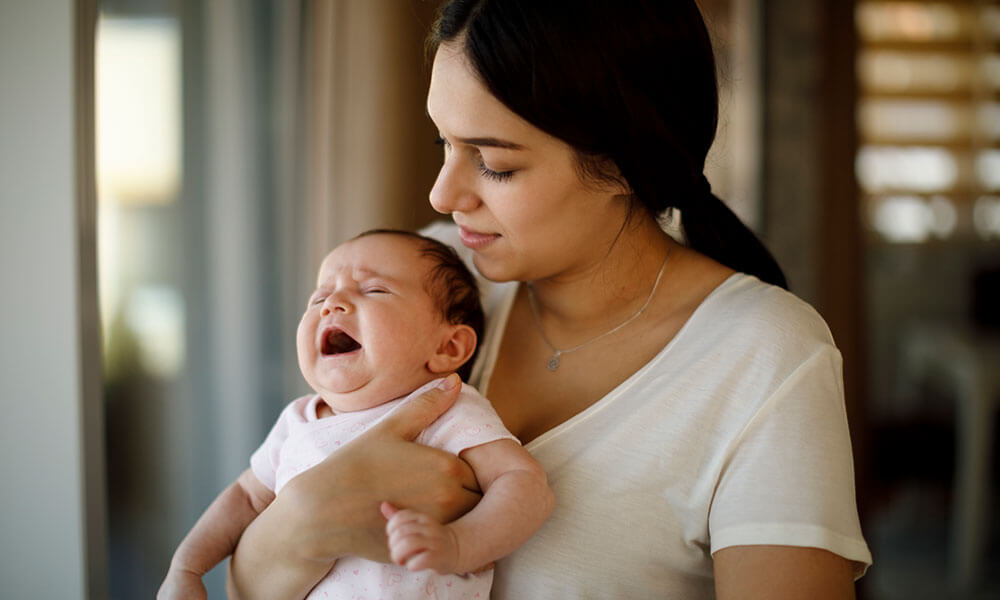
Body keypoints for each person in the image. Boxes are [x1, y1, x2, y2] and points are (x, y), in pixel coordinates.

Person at [228, 1, 873, 598]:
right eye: (444, 143)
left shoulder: (764, 355)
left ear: (620, 164)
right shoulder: (428, 282)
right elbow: (248, 583)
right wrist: (308, 515)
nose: (442, 195)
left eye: (495, 163)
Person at [158, 229, 554, 600]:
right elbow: (246, 498)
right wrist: (187, 566)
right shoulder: (299, 419)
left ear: (448, 348)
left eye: (374, 290)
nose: (332, 303)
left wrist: (460, 543)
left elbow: (524, 483)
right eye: (319, 298)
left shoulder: (448, 407)